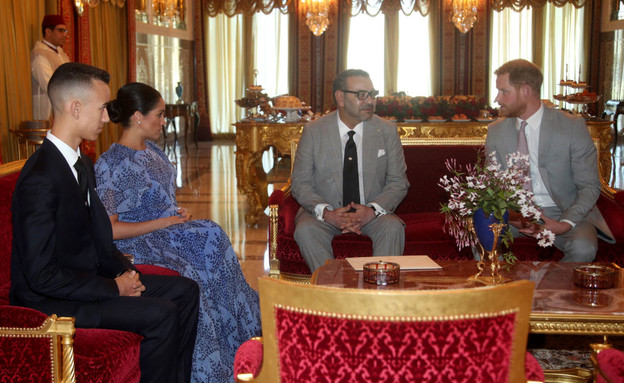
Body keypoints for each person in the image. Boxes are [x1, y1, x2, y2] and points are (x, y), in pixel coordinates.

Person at [11, 62, 200, 383]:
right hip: (51, 300)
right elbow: (41, 275)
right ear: (74, 108)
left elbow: (99, 237)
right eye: (101, 109)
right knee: (161, 313)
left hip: (85, 279)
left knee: (185, 291)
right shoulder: (40, 178)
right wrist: (113, 287)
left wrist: (125, 274)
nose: (105, 118)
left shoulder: (81, 162)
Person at [94, 82, 261, 383]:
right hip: (138, 244)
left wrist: (175, 214)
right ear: (137, 117)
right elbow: (110, 230)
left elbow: (161, 200)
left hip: (166, 232)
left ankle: (239, 339)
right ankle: (209, 365)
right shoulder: (111, 164)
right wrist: (165, 222)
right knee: (194, 268)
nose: (163, 121)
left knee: (213, 236)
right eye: (159, 115)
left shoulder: (153, 149)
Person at [486, 59, 615, 262]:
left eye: (504, 91)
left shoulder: (571, 127)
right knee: (481, 239)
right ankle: (506, 292)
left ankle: (551, 293)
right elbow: (492, 187)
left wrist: (565, 223)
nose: (497, 98)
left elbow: (589, 186)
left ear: (525, 91)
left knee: (584, 247)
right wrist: (513, 216)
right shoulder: (496, 131)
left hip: (564, 209)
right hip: (514, 214)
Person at [291, 69, 410, 272]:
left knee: (392, 227)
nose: (370, 101)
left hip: (372, 214)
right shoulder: (314, 131)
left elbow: (398, 182)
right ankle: (334, 294)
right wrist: (327, 213)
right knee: (306, 229)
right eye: (362, 95)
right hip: (326, 214)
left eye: (372, 94)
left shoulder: (387, 131)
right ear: (340, 97)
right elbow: (300, 182)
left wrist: (371, 210)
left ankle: (380, 295)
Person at [31, 14, 71, 120]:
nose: (64, 35)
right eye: (61, 30)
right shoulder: (39, 54)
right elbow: (49, 84)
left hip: (64, 108)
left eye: (66, 31)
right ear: (48, 31)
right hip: (47, 110)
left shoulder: (62, 54)